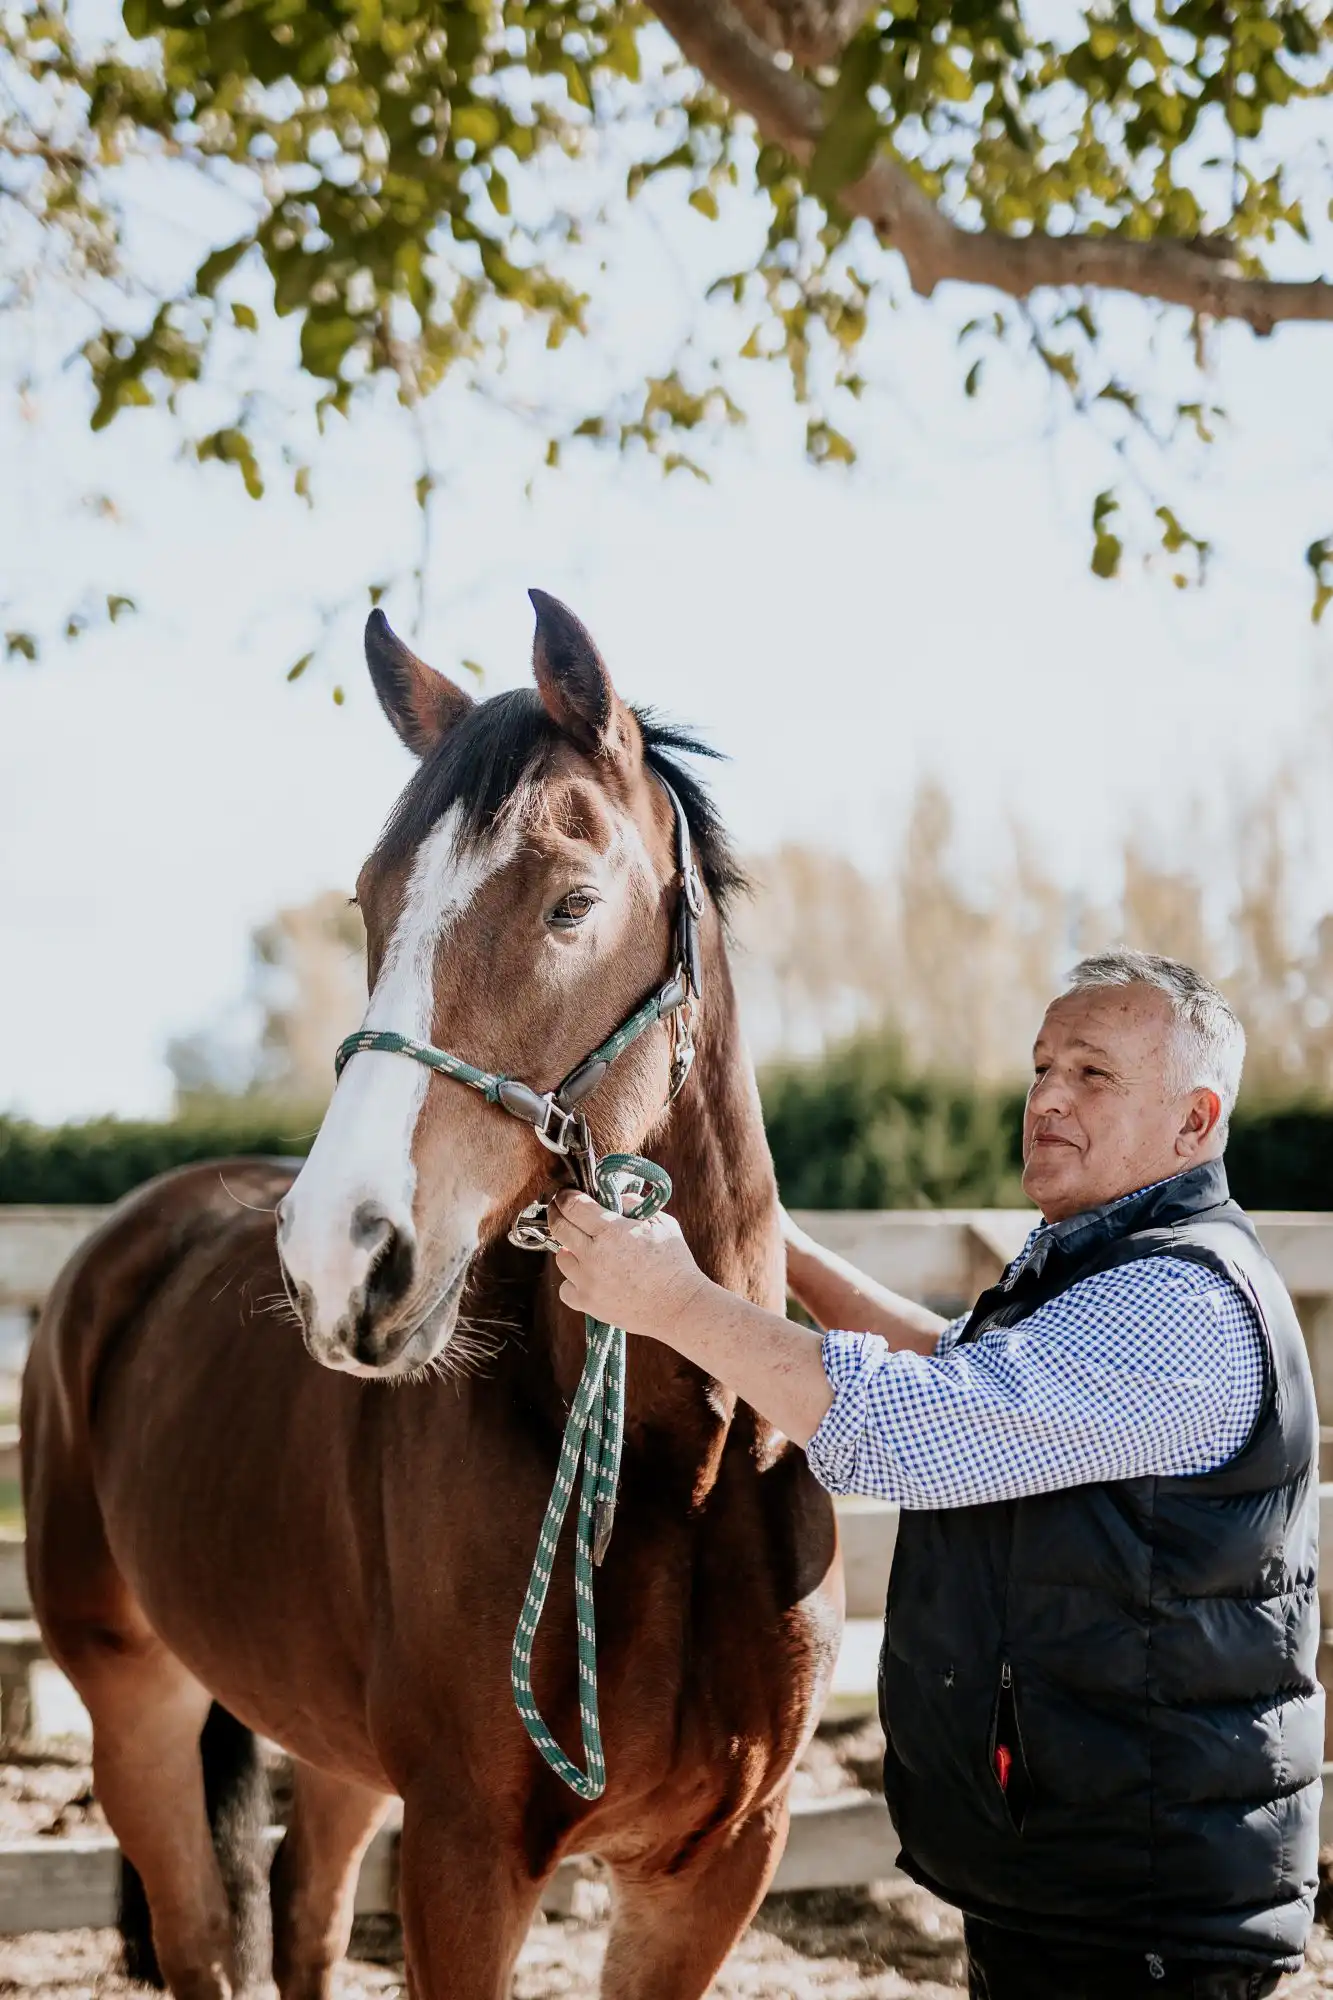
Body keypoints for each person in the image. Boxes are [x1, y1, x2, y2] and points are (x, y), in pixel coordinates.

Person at [549, 950, 1321, 2000]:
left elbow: (912, 1429)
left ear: (1194, 1121)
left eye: (1092, 1073)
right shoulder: (1106, 1266)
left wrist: (670, 1300)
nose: (1047, 1096)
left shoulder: (1178, 1304)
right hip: (1084, 1873)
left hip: (1142, 1909)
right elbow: (949, 1363)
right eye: (1042, 1066)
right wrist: (778, 1243)